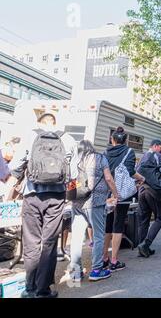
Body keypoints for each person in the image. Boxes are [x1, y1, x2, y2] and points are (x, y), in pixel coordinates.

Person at [9, 113, 78, 298]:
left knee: (31, 242)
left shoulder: (31, 136)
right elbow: (73, 175)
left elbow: (14, 166)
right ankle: (43, 290)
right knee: (49, 243)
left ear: (40, 123)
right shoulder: (68, 139)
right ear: (56, 123)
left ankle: (29, 288)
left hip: (31, 195)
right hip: (56, 198)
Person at [69, 140, 119, 283]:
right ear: (92, 147)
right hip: (95, 202)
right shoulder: (99, 158)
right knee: (98, 236)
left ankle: (76, 273)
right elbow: (108, 178)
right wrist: (116, 194)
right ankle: (96, 270)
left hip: (77, 202)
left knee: (77, 238)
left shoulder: (74, 160)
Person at [103, 127, 145, 272]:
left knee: (107, 225)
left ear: (112, 140)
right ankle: (114, 261)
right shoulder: (129, 152)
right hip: (122, 194)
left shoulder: (105, 152)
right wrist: (142, 178)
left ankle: (104, 258)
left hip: (107, 193)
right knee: (118, 224)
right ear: (126, 140)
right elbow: (131, 172)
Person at [137, 139, 161, 258]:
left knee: (144, 220)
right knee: (160, 218)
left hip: (141, 191)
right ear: (155, 146)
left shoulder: (143, 157)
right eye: (160, 148)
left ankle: (141, 247)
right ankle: (146, 244)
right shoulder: (157, 156)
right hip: (154, 192)